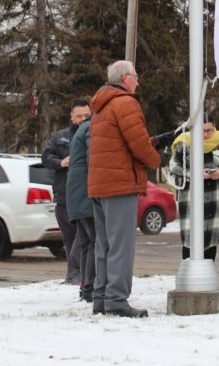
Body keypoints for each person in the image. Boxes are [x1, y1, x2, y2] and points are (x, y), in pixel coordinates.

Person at [87, 60, 161, 317]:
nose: (138, 81)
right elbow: (138, 146)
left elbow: (117, 143)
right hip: (119, 185)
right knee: (121, 245)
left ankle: (101, 298)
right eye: (135, 75)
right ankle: (117, 300)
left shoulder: (100, 106)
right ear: (124, 78)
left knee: (104, 245)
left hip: (99, 184)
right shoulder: (126, 103)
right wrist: (155, 159)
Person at [168, 115, 219, 261]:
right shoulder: (185, 142)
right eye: (203, 131)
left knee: (210, 241)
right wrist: (194, 174)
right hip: (190, 199)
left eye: (209, 130)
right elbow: (174, 166)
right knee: (190, 240)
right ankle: (189, 277)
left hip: (215, 199)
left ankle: (208, 275)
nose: (206, 134)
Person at [42, 99, 91, 285]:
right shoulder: (60, 136)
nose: (83, 119)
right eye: (79, 116)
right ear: (71, 117)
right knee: (70, 238)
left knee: (83, 235)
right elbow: (46, 157)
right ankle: (74, 275)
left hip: (85, 195)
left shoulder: (95, 134)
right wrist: (61, 163)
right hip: (64, 196)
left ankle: (77, 274)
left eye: (87, 115)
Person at [66, 117, 95, 304]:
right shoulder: (91, 128)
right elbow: (95, 156)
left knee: (86, 244)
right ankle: (90, 289)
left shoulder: (82, 128)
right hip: (86, 195)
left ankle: (86, 289)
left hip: (76, 195)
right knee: (94, 243)